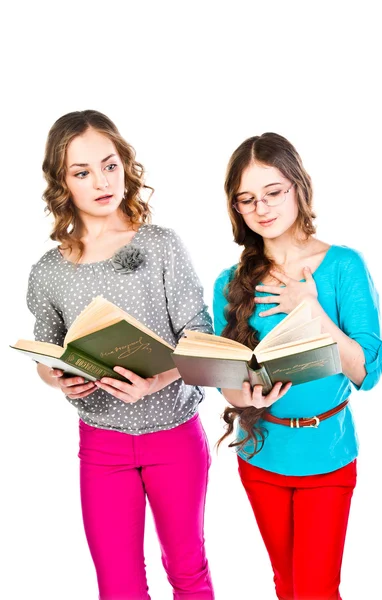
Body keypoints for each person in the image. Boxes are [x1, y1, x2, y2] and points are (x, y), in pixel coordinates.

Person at [26, 110, 214, 600]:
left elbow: (201, 337)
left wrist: (156, 380)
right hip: (102, 445)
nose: (101, 181)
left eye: (109, 165)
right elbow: (47, 353)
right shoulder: (49, 272)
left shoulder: (161, 246)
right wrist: (58, 378)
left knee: (188, 572)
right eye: (82, 172)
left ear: (125, 166)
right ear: (62, 182)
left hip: (174, 434)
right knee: (118, 587)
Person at [213, 132, 382, 600]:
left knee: (316, 589)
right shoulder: (230, 282)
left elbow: (367, 374)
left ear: (298, 187)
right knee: (287, 585)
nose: (263, 208)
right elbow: (227, 380)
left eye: (274, 193)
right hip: (261, 451)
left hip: (327, 453)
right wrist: (242, 395)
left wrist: (311, 311)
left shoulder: (342, 265)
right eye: (248, 199)